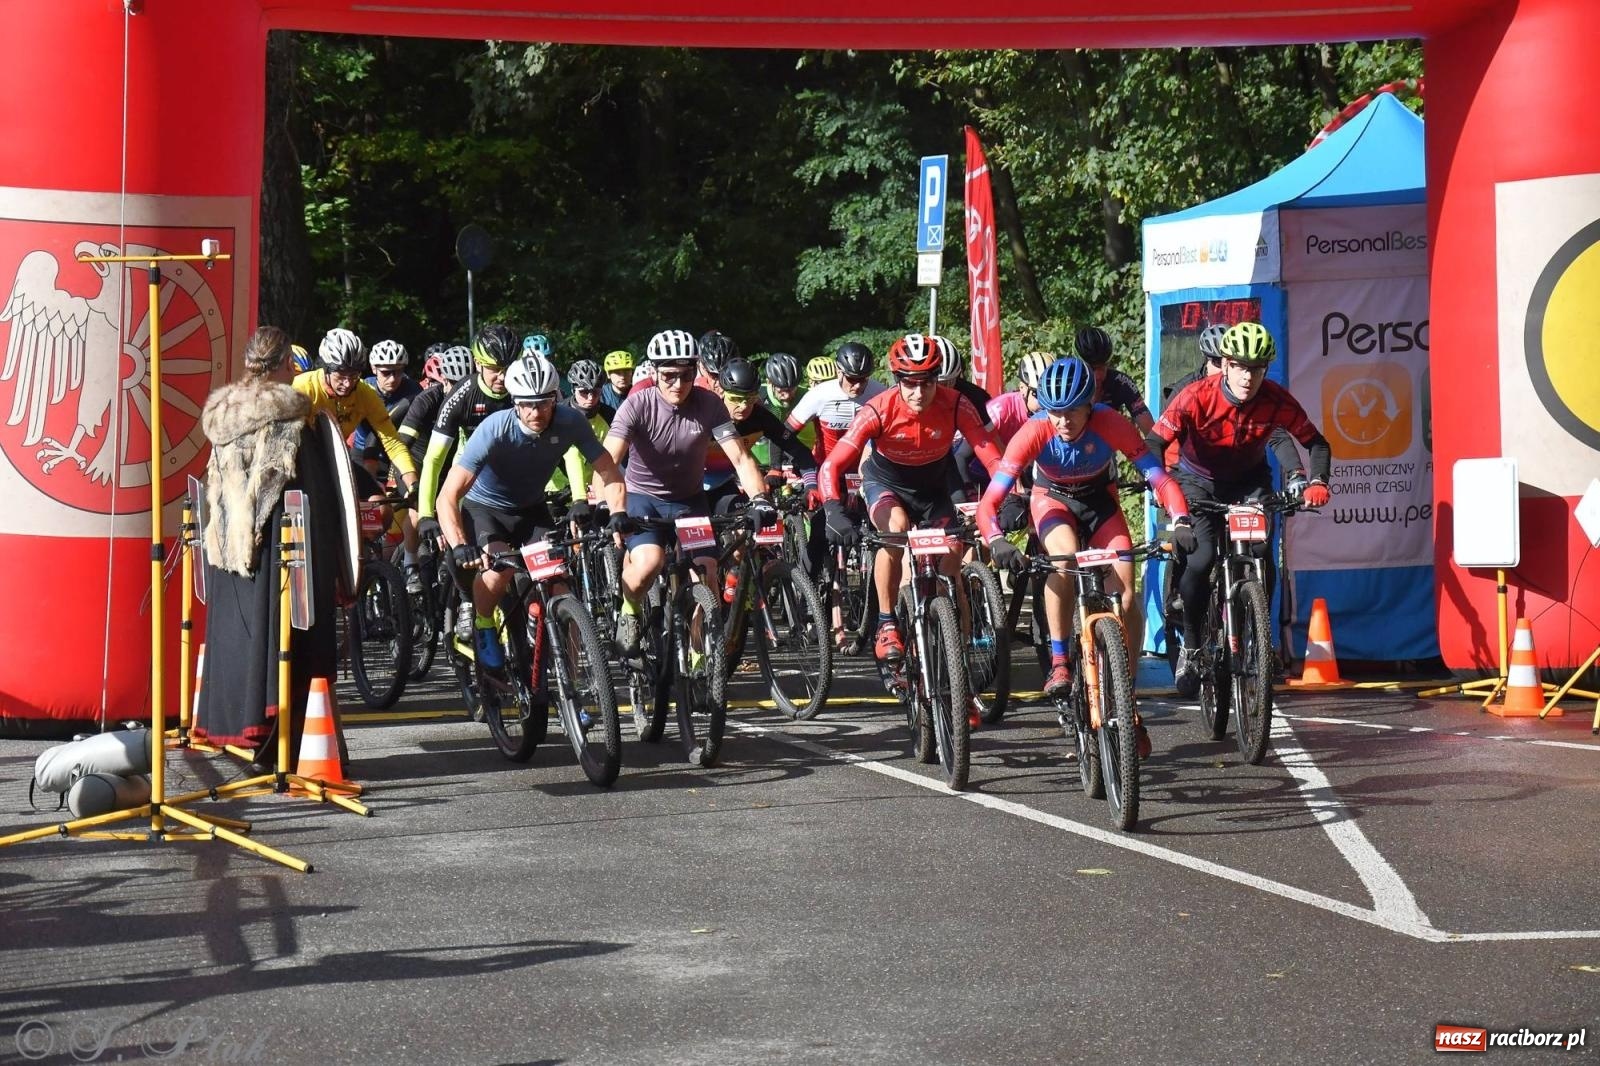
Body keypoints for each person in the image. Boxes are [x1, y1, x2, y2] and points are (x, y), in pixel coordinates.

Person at [977, 356, 1196, 731]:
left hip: (1099, 500)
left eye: (1073, 411)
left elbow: (1159, 478)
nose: (1063, 421)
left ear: (1090, 404)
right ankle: (1060, 661)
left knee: (1127, 594)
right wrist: (996, 539)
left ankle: (1125, 692)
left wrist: (1181, 520)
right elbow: (989, 503)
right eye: (1054, 412)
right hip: (1053, 499)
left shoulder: (1111, 422)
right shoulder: (1033, 431)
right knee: (1062, 560)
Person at [1152, 321, 1332, 697]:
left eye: (1257, 368)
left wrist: (1316, 481)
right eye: (1240, 367)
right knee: (1199, 562)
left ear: (1265, 370)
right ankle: (1193, 644)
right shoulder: (1194, 395)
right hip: (1197, 481)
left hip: (1250, 482)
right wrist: (1161, 485)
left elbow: (1316, 443)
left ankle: (1257, 634)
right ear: (1226, 365)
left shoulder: (1276, 399)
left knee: (1263, 552)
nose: (1248, 377)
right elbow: (1154, 443)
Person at [818, 334, 1004, 668]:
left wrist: (1008, 496)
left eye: (928, 383)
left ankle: (957, 668)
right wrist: (833, 507)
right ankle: (887, 622)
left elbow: (993, 459)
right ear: (897, 381)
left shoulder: (957, 403)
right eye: (911, 384)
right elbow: (833, 464)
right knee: (896, 531)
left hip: (933, 490)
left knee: (951, 567)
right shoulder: (880, 408)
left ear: (938, 379)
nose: (920, 393)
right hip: (887, 485)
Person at [197, 326, 340, 758]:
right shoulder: (292, 419)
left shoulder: (224, 415)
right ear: (281, 365)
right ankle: (279, 746)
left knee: (237, 634)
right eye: (290, 363)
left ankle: (234, 730)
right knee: (282, 638)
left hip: (228, 546)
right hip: (276, 544)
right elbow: (308, 493)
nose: (295, 369)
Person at [436, 356, 625, 675]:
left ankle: (577, 683)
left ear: (555, 398)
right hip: (486, 509)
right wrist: (458, 544)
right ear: (514, 402)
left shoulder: (571, 421)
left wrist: (617, 513)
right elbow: (448, 496)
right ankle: (482, 624)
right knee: (500, 571)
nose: (536, 412)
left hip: (532, 510)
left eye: (544, 403)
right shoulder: (494, 429)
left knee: (562, 589)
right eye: (527, 404)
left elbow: (609, 471)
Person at [604, 329, 775, 663]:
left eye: (685, 375)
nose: (677, 384)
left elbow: (739, 457)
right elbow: (609, 460)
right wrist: (612, 507)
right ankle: (628, 609)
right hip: (644, 497)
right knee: (649, 563)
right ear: (654, 373)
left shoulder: (710, 405)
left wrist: (759, 498)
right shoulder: (637, 404)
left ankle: (699, 657)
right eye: (668, 375)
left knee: (707, 573)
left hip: (689, 501)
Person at [414, 325, 520, 539]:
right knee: (467, 555)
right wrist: (425, 514)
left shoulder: (523, 389)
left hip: (510, 473)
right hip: (470, 472)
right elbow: (433, 459)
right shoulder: (462, 395)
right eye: (495, 368)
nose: (502, 376)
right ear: (478, 364)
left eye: (508, 368)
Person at [291, 328, 418, 501]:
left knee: (381, 507)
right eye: (341, 375)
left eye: (354, 375)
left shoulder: (364, 393)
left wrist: (413, 485)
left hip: (334, 461)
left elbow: (393, 443)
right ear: (326, 369)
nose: (348, 383)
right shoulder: (301, 388)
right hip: (298, 463)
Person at [786, 342, 885, 469]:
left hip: (866, 471)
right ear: (839, 371)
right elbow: (785, 433)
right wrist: (779, 466)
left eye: (863, 379)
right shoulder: (819, 394)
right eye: (852, 379)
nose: (858, 386)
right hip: (826, 467)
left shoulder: (880, 392)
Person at [548, 358, 616, 511]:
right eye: (584, 392)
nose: (591, 398)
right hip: (557, 488)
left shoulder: (609, 414)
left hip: (596, 488)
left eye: (596, 392)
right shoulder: (557, 414)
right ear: (573, 389)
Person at [1075, 326, 1155, 434]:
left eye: (1102, 367)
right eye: (1092, 368)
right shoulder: (1068, 383)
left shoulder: (1120, 382)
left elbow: (1150, 431)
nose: (1098, 375)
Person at [753, 352, 813, 468]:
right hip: (757, 460)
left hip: (793, 459)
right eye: (782, 389)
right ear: (770, 382)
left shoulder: (807, 396)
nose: (786, 395)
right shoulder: (758, 396)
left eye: (791, 389)